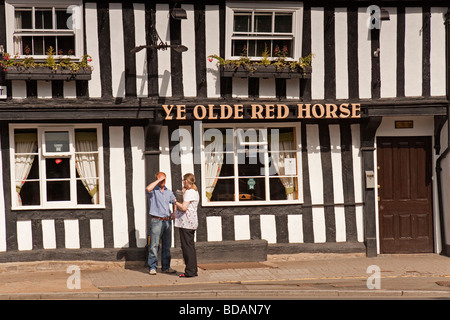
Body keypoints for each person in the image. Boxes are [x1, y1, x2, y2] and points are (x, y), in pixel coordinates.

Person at [146, 172, 177, 275]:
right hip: (156, 220)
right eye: (161, 179)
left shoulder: (169, 192)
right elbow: (148, 189)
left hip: (167, 220)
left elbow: (175, 201)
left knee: (167, 245)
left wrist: (174, 212)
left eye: (164, 179)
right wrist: (158, 180)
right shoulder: (153, 191)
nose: (163, 181)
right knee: (154, 245)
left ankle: (166, 267)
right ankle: (152, 267)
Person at [174, 173, 200, 278]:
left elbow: (184, 207)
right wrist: (182, 192)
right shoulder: (193, 191)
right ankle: (192, 270)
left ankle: (190, 271)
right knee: (189, 247)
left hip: (186, 222)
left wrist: (176, 202)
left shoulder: (190, 192)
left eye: (183, 181)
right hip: (190, 222)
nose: (182, 183)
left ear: (186, 181)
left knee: (187, 248)